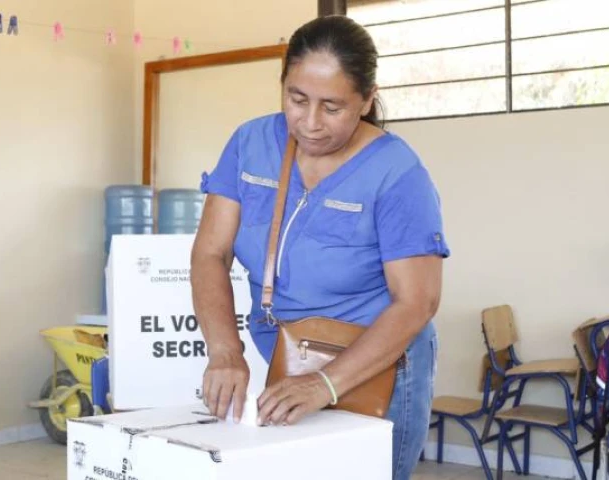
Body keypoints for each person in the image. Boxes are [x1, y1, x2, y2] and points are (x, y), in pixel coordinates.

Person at [190, 14, 449, 480]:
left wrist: (324, 384)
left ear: (367, 99)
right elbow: (211, 252)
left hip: (377, 369)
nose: (309, 123)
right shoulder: (249, 143)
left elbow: (417, 302)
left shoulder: (397, 172)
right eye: (297, 99)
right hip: (288, 359)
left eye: (332, 107)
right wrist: (225, 351)